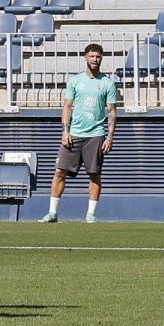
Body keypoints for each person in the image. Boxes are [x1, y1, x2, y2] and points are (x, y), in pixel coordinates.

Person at [39, 43, 117, 224]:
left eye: (98, 56)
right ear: (85, 57)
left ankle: (90, 214)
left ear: (101, 58)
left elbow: (112, 111)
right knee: (59, 172)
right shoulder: (75, 81)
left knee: (94, 174)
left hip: (96, 134)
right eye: (92, 56)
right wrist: (65, 131)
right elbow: (67, 106)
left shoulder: (107, 83)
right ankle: (52, 213)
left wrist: (110, 136)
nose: (95, 60)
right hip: (74, 134)